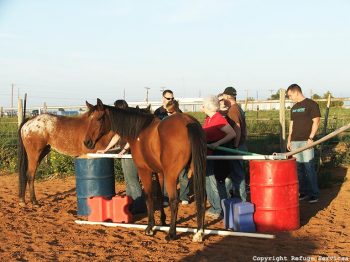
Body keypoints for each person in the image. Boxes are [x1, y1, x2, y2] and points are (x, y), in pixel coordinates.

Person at [97, 100, 146, 214]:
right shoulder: (123, 122)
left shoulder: (129, 121)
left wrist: (124, 150)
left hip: (131, 153)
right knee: (128, 181)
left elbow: (132, 137)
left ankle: (140, 206)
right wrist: (106, 149)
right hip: (125, 154)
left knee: (132, 180)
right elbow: (117, 136)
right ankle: (131, 203)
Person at [202, 95, 236, 218]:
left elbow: (231, 133)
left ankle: (218, 209)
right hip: (208, 154)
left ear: (208, 107)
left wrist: (217, 143)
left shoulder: (218, 119)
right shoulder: (208, 119)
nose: (202, 107)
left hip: (216, 154)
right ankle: (215, 206)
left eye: (203, 105)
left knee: (214, 182)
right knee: (208, 181)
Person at [154, 90, 189, 205]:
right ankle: (165, 197)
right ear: (163, 98)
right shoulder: (158, 112)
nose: (171, 100)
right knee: (165, 173)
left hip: (178, 147)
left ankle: (184, 196)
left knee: (182, 172)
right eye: (169, 98)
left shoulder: (178, 111)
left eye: (172, 98)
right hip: (164, 148)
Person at [286, 84, 321, 203]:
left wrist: (311, 138)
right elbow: (291, 124)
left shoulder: (311, 104)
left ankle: (314, 193)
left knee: (309, 167)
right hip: (295, 141)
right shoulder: (294, 108)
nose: (290, 98)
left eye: (290, 95)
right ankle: (304, 192)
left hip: (306, 141)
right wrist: (289, 139)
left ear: (296, 92)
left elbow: (316, 121)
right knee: (299, 168)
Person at [222, 86, 247, 202]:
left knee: (238, 175)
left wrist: (235, 145)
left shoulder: (233, 110)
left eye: (224, 97)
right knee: (234, 174)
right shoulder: (238, 108)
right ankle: (233, 198)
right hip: (240, 145)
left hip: (236, 146)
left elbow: (237, 128)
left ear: (227, 96)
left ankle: (241, 200)